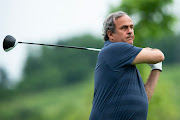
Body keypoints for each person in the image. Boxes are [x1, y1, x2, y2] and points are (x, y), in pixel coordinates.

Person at [89, 11, 164, 120]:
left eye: (131, 27)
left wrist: (156, 68)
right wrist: (148, 51)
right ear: (110, 35)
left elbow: (144, 98)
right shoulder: (115, 49)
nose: (130, 31)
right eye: (124, 28)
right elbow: (159, 55)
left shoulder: (125, 61)